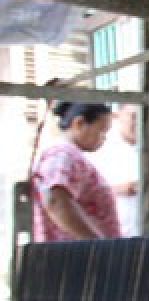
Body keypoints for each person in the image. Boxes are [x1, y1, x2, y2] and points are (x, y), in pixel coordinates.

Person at [32, 102, 120, 243]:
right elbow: (55, 200)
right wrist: (97, 244)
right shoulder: (63, 154)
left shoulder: (69, 155)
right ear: (79, 123)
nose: (104, 138)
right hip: (72, 256)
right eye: (102, 131)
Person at [92, 104, 149, 236]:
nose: (139, 122)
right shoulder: (100, 149)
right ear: (118, 116)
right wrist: (121, 189)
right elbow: (88, 192)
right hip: (116, 231)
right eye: (133, 117)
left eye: (144, 117)